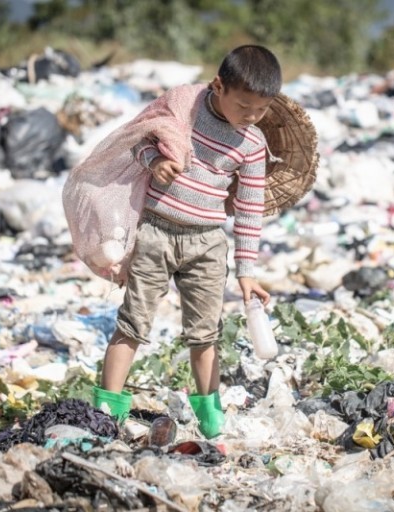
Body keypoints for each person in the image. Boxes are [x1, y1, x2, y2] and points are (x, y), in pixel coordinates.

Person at [92, 45, 281, 439]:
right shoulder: (184, 109)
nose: (251, 116)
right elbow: (139, 139)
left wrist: (247, 272)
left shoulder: (251, 144)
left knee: (205, 334)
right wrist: (155, 161)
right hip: (155, 233)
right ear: (218, 86)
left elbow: (249, 210)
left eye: (261, 110)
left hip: (207, 244)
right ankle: (105, 413)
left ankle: (211, 421)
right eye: (244, 106)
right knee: (132, 323)